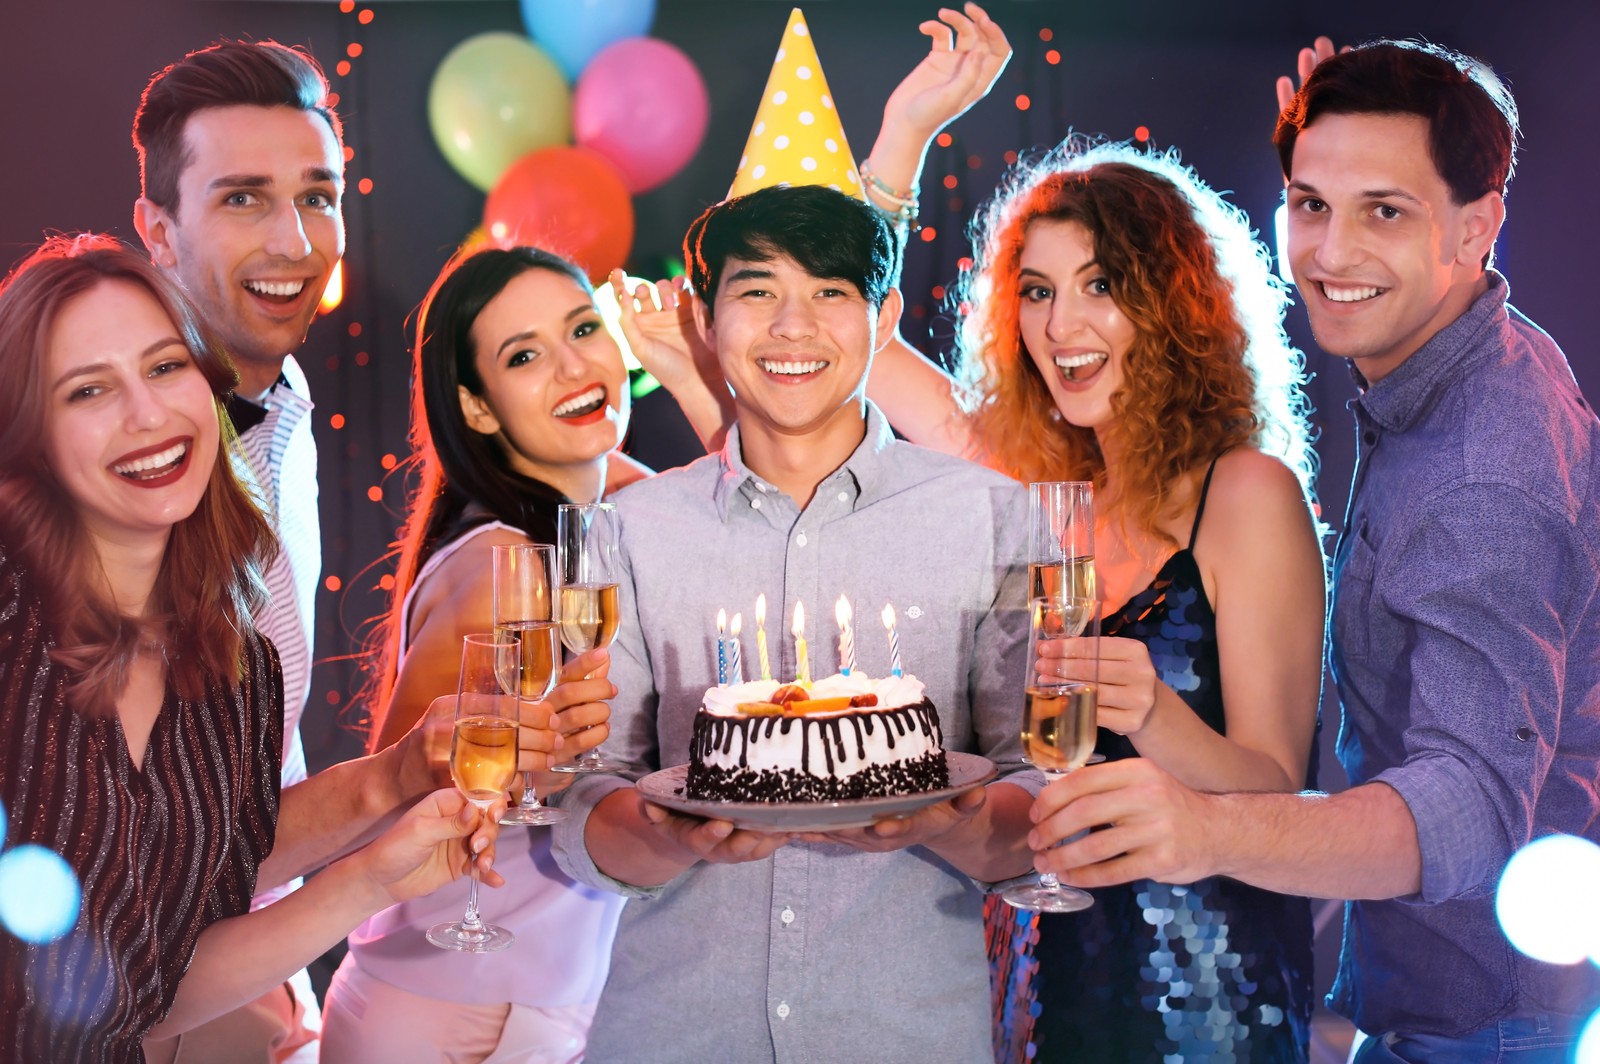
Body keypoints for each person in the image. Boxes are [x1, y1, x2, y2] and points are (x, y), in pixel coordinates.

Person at [1028, 39, 1600, 1062]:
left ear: (1480, 226)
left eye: (1384, 210)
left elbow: (1468, 811)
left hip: (1499, 1024)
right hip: (1436, 1005)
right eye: (1308, 205)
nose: (1329, 254)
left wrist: (1207, 829)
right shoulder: (1458, 351)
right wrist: (1342, 144)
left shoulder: (1479, 465)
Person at [544, 180, 1039, 1063]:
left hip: (905, 1036)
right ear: (704, 317)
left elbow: (1035, 804)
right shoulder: (627, 533)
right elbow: (585, 804)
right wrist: (665, 832)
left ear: (883, 317)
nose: (792, 326)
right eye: (758, 290)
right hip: (671, 1033)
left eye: (830, 293)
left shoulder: (992, 519)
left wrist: (943, 822)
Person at [0, 235, 500, 1064]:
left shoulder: (235, 661)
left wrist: (376, 871)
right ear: (30, 438)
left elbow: (145, 991)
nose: (148, 415)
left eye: (166, 368)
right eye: (88, 390)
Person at [318, 242, 722, 1062]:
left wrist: (691, 373)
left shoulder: (603, 503)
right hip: (451, 1013)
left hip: (549, 1004)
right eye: (526, 355)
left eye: (584, 329)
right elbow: (395, 794)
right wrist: (532, 764)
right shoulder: (496, 566)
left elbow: (753, 519)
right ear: (476, 407)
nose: (574, 367)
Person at [130, 39, 340, 1060]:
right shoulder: (118, 452)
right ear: (157, 232)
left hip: (262, 968)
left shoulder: (283, 404)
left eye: (318, 193)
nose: (295, 240)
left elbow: (263, 751)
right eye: (244, 199)